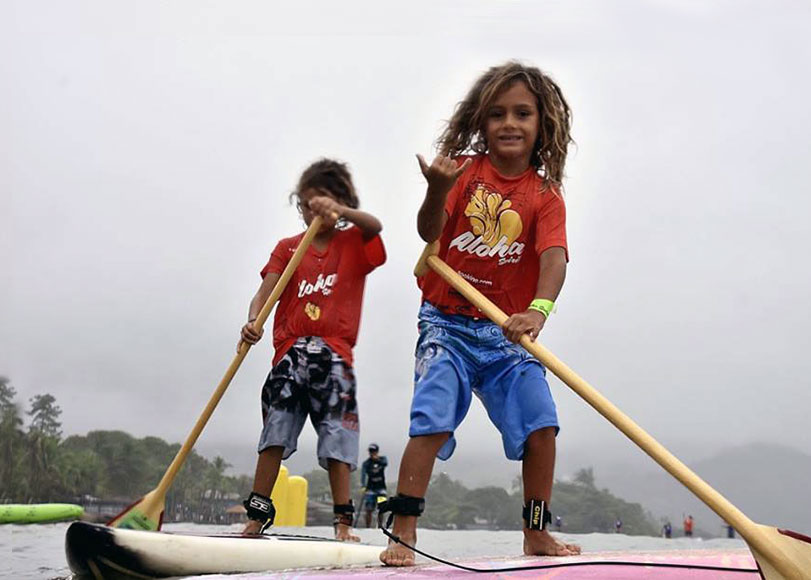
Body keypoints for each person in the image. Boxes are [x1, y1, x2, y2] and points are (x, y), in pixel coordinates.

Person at [380, 61, 577, 566]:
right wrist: (437, 190)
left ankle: (536, 534)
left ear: (542, 125)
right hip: (446, 323)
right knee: (433, 416)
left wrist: (537, 311)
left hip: (506, 333)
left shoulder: (545, 196)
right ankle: (403, 531)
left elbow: (554, 259)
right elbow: (430, 233)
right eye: (497, 114)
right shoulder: (464, 172)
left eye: (522, 113)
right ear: (480, 122)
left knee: (541, 424)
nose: (509, 123)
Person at [239, 159, 386, 542]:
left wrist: (341, 212)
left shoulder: (354, 243)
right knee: (274, 433)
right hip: (290, 355)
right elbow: (264, 292)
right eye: (308, 204)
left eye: (326, 203)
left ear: (341, 205)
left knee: (338, 438)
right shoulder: (287, 249)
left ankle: (343, 525)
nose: (316, 210)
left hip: (334, 357)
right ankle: (256, 517)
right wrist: (254, 320)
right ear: (300, 205)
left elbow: (374, 226)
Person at [360, 443, 388, 528]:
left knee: (382, 507)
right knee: (369, 508)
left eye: (374, 451)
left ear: (377, 451)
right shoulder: (366, 463)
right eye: (371, 451)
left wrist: (377, 460)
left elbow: (385, 463)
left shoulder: (383, 459)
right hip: (370, 489)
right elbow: (363, 474)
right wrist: (363, 486)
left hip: (381, 488)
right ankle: (367, 526)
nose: (372, 453)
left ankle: (380, 526)